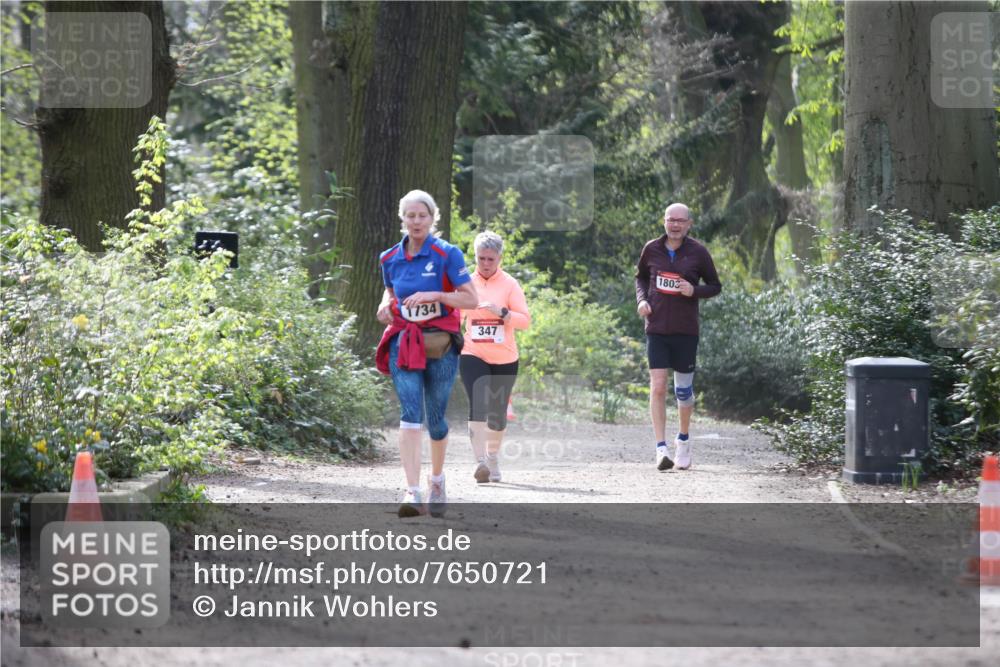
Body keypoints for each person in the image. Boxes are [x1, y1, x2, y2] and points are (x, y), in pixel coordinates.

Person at [375, 190, 479, 518]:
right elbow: (390, 291)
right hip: (404, 340)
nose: (416, 221)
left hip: (441, 344)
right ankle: (412, 490)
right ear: (402, 219)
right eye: (411, 216)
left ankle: (436, 480)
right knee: (410, 412)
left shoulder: (447, 254)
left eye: (422, 215)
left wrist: (437, 294)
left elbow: (471, 299)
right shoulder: (389, 258)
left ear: (433, 218)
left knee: (435, 419)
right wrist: (384, 305)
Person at [634, 202, 721, 471]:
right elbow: (640, 278)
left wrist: (694, 291)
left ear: (689, 224)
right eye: (670, 220)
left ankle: (683, 439)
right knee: (658, 386)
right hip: (657, 328)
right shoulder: (652, 248)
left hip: (685, 331)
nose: (675, 225)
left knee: (683, 392)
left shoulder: (698, 252)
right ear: (664, 222)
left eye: (680, 221)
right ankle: (661, 449)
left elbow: (715, 286)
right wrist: (642, 300)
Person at [459, 231, 531, 483]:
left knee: (497, 415)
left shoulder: (510, 284)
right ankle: (480, 463)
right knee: (477, 403)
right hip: (472, 352)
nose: (486, 264)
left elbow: (525, 321)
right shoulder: (466, 283)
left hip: (504, 358)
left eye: (491, 259)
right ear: (475, 257)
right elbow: (455, 319)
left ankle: (492, 457)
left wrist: (502, 313)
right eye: (481, 258)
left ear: (499, 258)